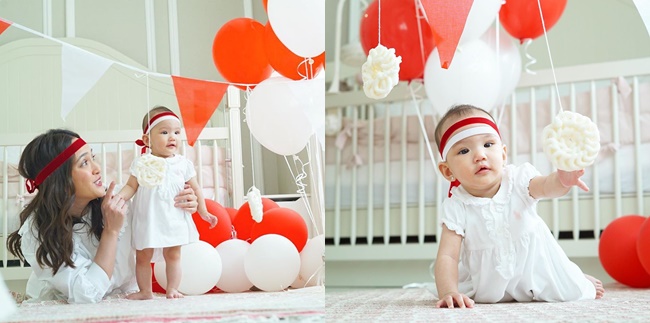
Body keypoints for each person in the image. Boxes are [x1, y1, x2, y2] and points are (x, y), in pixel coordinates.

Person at [432, 104, 605, 308]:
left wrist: (562, 180)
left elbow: (546, 187)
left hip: (535, 268)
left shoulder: (518, 180)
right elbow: (448, 256)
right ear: (447, 171)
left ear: (503, 155)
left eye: (488, 145)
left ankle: (570, 272)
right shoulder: (457, 205)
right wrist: (449, 291)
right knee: (466, 292)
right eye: (463, 150)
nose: (480, 155)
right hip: (488, 284)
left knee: (570, 288)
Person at [6, 129, 199, 304]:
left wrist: (182, 202)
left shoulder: (117, 202)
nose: (97, 168)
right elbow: (86, 294)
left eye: (93, 158)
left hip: (124, 296)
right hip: (67, 302)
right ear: (60, 181)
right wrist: (111, 231)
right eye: (84, 163)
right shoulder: (36, 232)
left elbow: (161, 225)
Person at [117, 106, 218, 300]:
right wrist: (119, 198)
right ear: (147, 140)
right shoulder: (142, 162)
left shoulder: (183, 163)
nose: (172, 137)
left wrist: (203, 211)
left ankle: (172, 288)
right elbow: (131, 186)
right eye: (164, 132)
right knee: (143, 256)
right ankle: (145, 291)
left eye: (176, 132)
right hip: (149, 217)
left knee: (173, 255)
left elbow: (196, 188)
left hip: (173, 217)